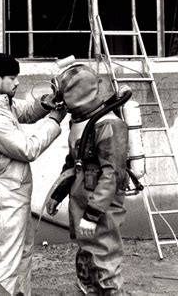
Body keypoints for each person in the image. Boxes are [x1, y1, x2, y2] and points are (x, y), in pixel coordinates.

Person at [0, 53, 67, 296]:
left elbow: (24, 112)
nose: (17, 82)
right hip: (7, 190)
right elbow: (28, 149)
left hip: (11, 186)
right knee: (6, 256)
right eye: (12, 78)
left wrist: (44, 105)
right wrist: (54, 121)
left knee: (22, 249)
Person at [46, 64, 129, 295]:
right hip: (83, 202)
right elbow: (73, 164)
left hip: (101, 207)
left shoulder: (109, 124)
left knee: (105, 261)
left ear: (76, 93)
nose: (58, 100)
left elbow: (112, 174)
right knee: (87, 258)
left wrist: (92, 215)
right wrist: (57, 195)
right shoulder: (80, 122)